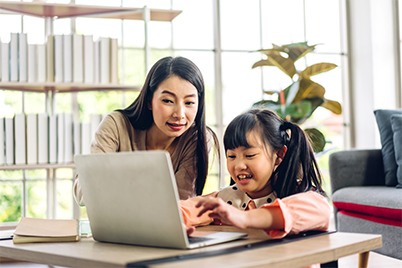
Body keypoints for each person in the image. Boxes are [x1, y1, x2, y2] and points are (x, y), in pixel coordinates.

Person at [73, 56, 217, 205]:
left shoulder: (198, 138)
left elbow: (181, 204)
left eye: (189, 102)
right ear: (149, 100)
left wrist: (114, 182)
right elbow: (83, 192)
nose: (179, 114)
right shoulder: (116, 125)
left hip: (165, 227)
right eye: (168, 100)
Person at [181, 109, 330, 250]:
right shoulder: (224, 201)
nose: (238, 165)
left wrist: (244, 218)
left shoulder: (302, 196)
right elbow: (182, 210)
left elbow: (321, 210)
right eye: (231, 156)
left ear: (278, 156)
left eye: (250, 155)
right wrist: (172, 226)